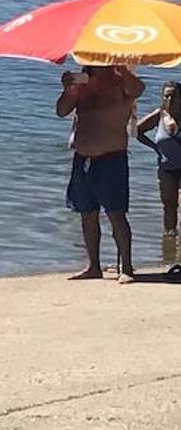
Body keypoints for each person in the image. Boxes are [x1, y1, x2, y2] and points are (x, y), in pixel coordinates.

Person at [56, 65, 144, 282]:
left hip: (111, 158)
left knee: (116, 214)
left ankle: (127, 267)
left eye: (95, 61)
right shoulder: (82, 86)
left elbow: (139, 89)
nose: (89, 66)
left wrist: (122, 70)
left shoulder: (120, 82)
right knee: (87, 213)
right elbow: (61, 111)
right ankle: (93, 266)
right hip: (83, 158)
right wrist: (69, 90)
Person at [136, 81, 181, 235]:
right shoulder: (159, 115)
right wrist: (156, 148)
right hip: (166, 169)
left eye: (174, 96)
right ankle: (169, 243)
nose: (169, 99)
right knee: (169, 207)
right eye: (166, 96)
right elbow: (137, 131)